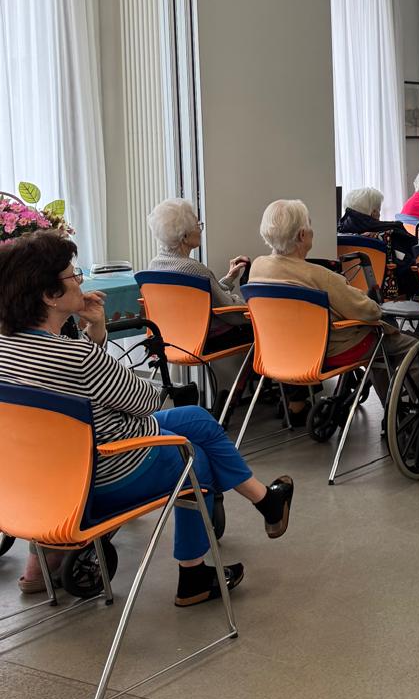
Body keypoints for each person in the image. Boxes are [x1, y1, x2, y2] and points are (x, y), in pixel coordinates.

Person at [0, 231, 293, 606]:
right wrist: (98, 354)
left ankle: (265, 500)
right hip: (103, 471)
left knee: (195, 418)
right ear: (49, 295)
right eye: (73, 276)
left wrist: (96, 331)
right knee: (196, 459)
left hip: (36, 479)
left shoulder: (9, 348)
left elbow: (80, 380)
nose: (80, 282)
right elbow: (146, 400)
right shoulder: (75, 358)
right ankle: (194, 576)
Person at [249, 199, 414, 416]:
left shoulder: (257, 267)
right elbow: (369, 311)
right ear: (302, 235)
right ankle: (407, 412)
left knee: (379, 350)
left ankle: (393, 412)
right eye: (309, 225)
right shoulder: (319, 276)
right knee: (409, 345)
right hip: (330, 351)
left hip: (278, 352)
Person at [145, 198, 251, 354]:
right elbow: (228, 309)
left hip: (170, 341)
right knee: (262, 332)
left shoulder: (154, 266)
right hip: (203, 342)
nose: (200, 230)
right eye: (197, 225)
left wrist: (229, 278)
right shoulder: (193, 269)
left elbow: (205, 295)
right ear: (184, 236)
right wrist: (255, 308)